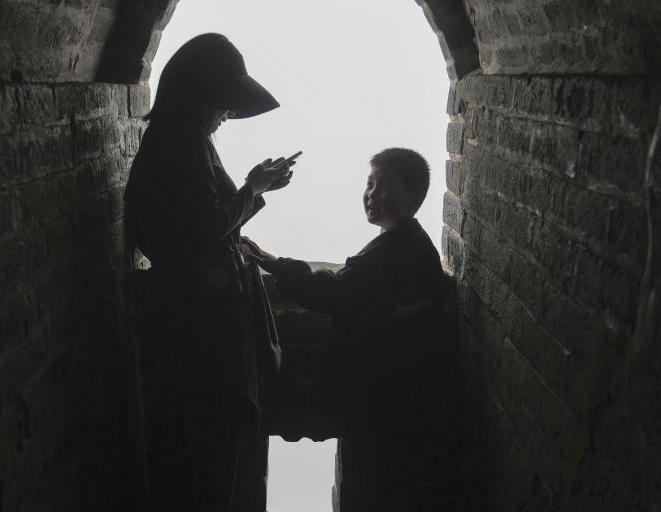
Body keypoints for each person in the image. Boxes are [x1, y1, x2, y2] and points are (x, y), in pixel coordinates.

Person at [123, 33, 294, 512]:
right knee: (211, 465)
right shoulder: (180, 140)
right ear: (202, 96)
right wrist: (253, 187)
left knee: (213, 461)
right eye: (224, 104)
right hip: (204, 335)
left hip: (202, 329)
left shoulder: (181, 137)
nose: (227, 116)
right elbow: (204, 228)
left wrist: (251, 192)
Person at [245, 148, 458, 511]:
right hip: (388, 399)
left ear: (415, 197)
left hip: (378, 401)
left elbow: (336, 291)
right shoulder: (403, 244)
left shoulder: (400, 250)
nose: (373, 195)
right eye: (370, 184)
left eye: (386, 187)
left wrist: (274, 263)